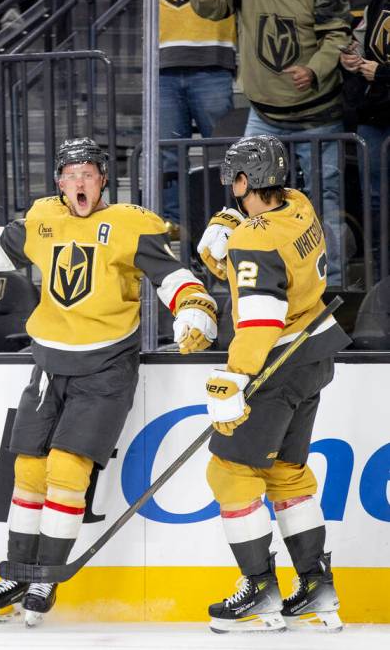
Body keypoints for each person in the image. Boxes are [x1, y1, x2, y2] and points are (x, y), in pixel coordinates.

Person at [0, 137, 219, 627]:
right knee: (28, 471)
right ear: (58, 183)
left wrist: (194, 309)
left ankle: (46, 575)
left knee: (67, 471)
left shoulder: (132, 224)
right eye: (69, 176)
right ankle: (19, 572)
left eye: (87, 174)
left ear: (103, 179)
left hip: (107, 366)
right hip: (49, 365)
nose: (78, 184)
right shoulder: (43, 218)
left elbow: (172, 276)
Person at [197, 135, 350, 633]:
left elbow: (261, 316)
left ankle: (259, 591)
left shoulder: (255, 239)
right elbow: (272, 268)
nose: (230, 187)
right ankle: (317, 589)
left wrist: (235, 379)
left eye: (234, 179)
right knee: (286, 473)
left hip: (274, 362)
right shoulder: (300, 206)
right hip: (313, 354)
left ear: (244, 181)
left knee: (229, 473)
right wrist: (232, 242)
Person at [191, 0, 353, 286]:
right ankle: (251, 274)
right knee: (248, 194)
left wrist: (314, 69)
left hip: (318, 115)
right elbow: (209, 8)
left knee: (326, 199)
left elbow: (337, 33)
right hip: (263, 112)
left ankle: (330, 283)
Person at [159, 0, 236, 226]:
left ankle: (228, 216)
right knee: (168, 154)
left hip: (213, 59)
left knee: (224, 152)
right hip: (162, 64)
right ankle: (174, 224)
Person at [340, 0, 390, 276]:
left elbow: (379, 68)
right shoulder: (377, 2)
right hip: (372, 115)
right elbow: (358, 42)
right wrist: (350, 58)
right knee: (373, 198)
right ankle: (381, 275)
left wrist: (382, 72)